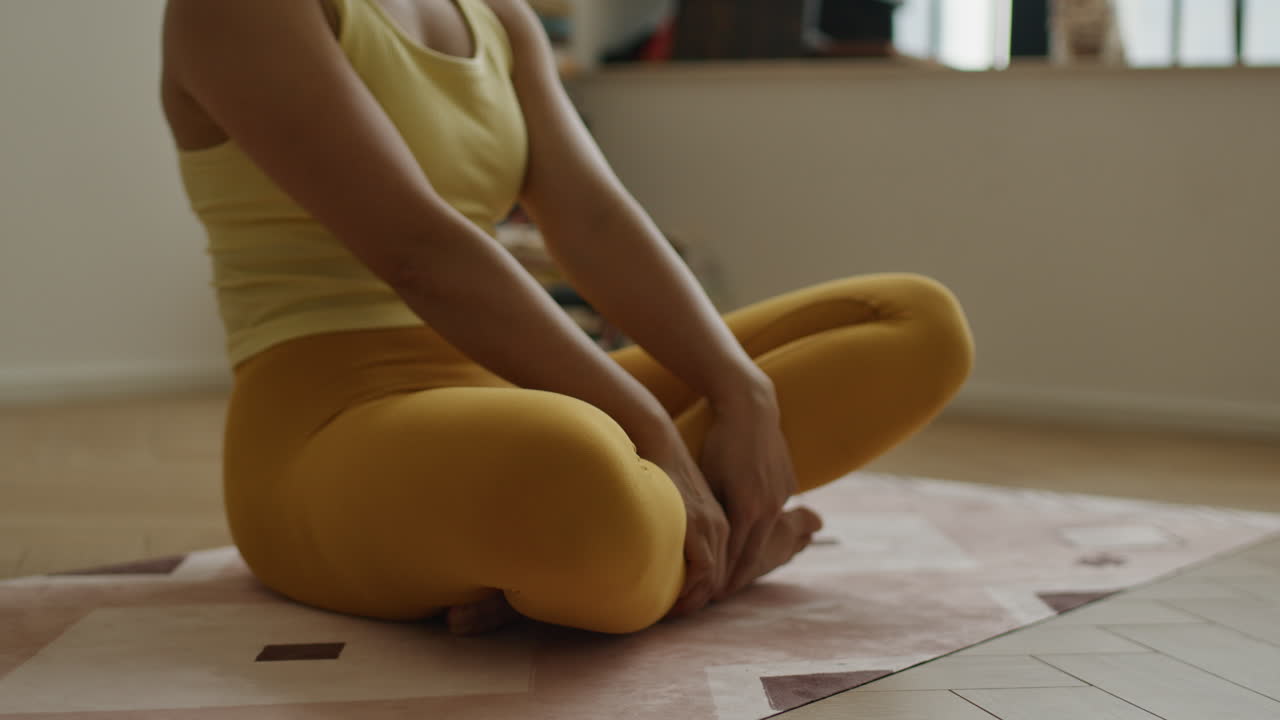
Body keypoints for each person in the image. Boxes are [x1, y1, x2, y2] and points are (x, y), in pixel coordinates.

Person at [160, 0, 975, 636]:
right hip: (327, 425)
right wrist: (652, 431)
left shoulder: (500, 17)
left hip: (519, 383)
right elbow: (420, 251)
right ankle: (684, 544)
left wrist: (742, 392)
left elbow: (593, 219)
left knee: (914, 322)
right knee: (581, 468)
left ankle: (621, 558)